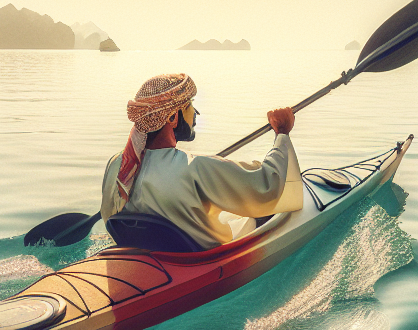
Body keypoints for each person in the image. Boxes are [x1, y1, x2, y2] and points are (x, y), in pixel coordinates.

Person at [100, 73, 302, 248]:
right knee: (253, 215)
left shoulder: (117, 165)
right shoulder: (196, 168)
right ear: (172, 118)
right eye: (189, 105)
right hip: (193, 258)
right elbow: (267, 186)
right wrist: (282, 134)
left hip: (142, 253)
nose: (196, 114)